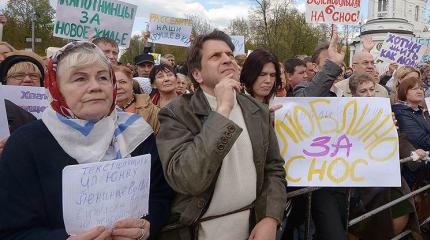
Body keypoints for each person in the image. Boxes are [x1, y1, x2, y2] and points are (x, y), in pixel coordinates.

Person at [0, 41, 172, 239]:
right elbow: (11, 230)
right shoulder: (25, 145)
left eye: (103, 77)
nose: (95, 87)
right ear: (56, 88)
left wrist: (148, 226)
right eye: (80, 78)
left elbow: (159, 196)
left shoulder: (138, 133)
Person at [156, 30, 287, 239]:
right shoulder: (176, 113)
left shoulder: (257, 109)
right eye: (215, 56)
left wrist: (270, 217)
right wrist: (222, 110)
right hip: (199, 229)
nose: (227, 59)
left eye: (230, 55)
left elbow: (273, 169)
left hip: (251, 227)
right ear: (197, 74)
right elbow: (188, 179)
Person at [114, 65, 160, 134]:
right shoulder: (101, 113)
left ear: (131, 83)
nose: (117, 87)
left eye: (122, 82)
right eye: (113, 83)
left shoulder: (153, 111)